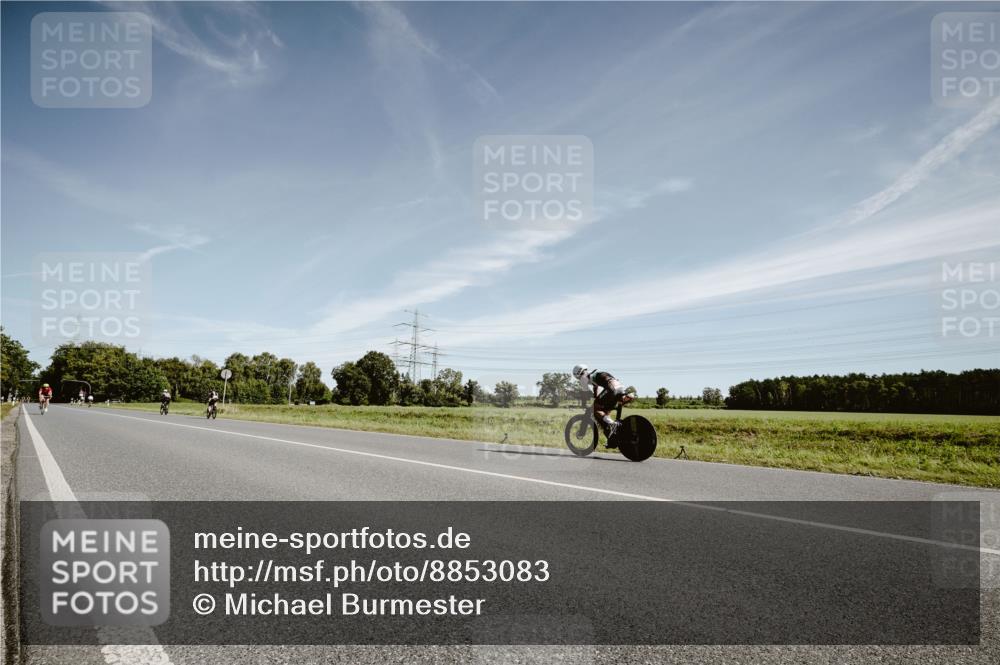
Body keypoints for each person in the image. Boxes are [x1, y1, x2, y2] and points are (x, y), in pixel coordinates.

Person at [572, 365, 630, 442]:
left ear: (577, 374)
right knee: (604, 411)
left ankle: (613, 424)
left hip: (611, 389)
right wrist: (596, 399)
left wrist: (585, 403)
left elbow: (585, 393)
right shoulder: (592, 373)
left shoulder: (583, 377)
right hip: (620, 388)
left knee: (594, 409)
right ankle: (612, 434)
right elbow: (595, 387)